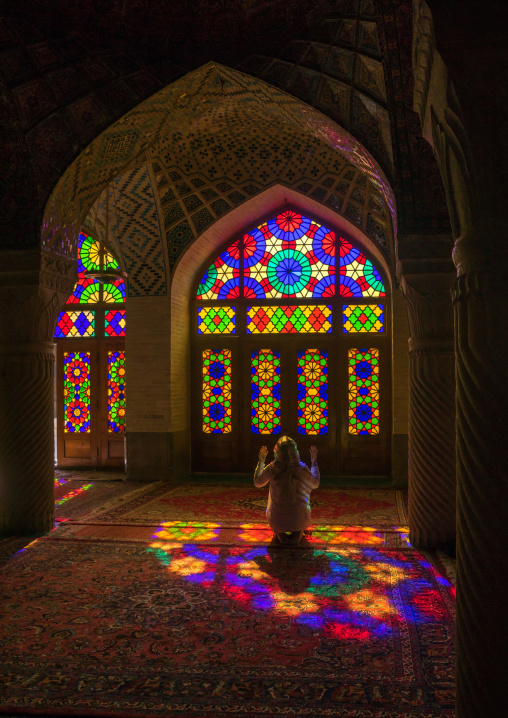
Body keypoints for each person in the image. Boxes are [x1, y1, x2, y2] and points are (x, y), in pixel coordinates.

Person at [253, 436, 320, 545]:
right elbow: (315, 484)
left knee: (279, 524)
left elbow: (258, 483)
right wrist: (314, 463)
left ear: (277, 452)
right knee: (300, 512)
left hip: (277, 518)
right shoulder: (301, 468)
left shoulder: (272, 468)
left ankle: (280, 533)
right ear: (295, 451)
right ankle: (298, 531)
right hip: (299, 517)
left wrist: (261, 462)